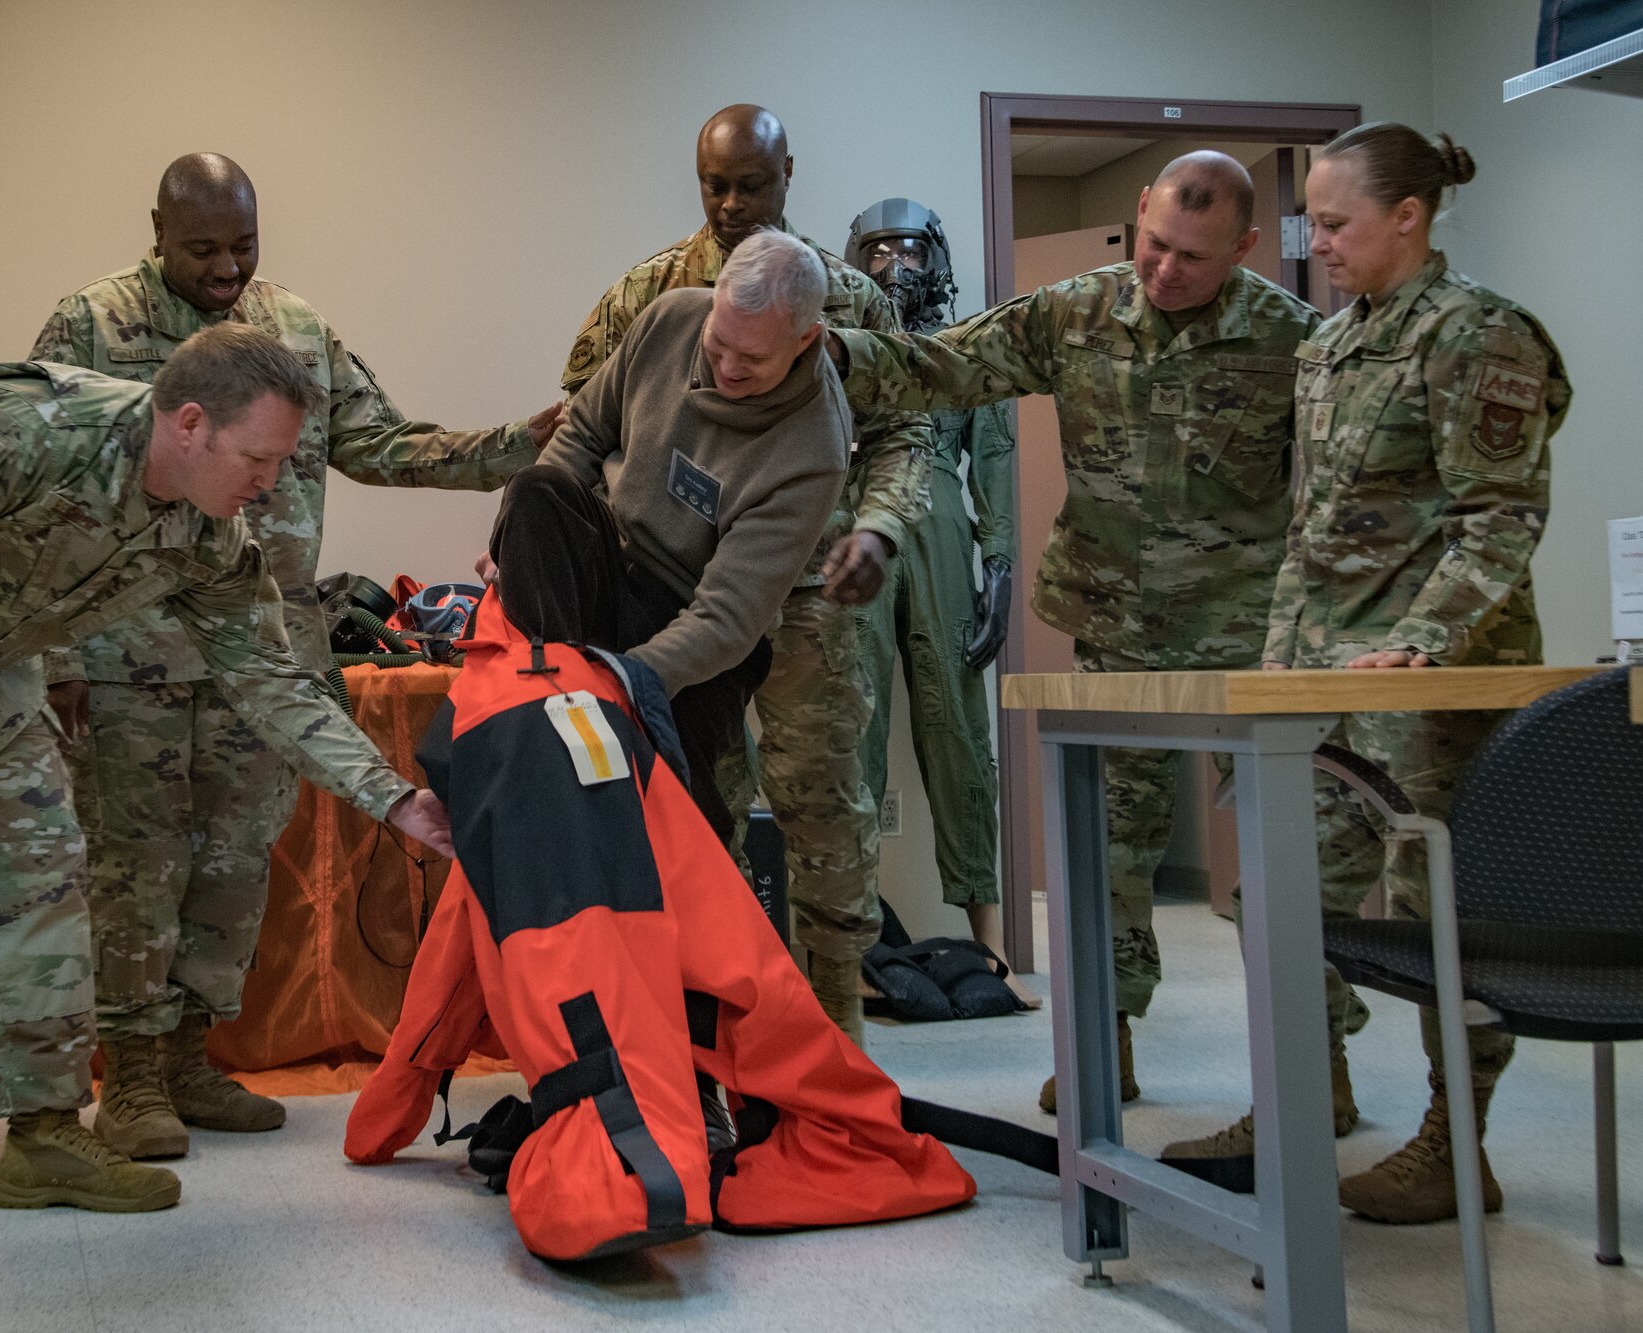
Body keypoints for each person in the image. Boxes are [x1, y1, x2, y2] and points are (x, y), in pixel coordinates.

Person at [0, 325, 456, 1212]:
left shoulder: (209, 538)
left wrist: (393, 799)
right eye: (258, 459)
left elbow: (277, 683)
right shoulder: (36, 429)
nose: (271, 483)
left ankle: (42, 1139)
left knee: (40, 870)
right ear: (189, 424)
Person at [29, 153, 559, 1161]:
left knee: (232, 867)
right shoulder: (89, 327)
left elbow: (383, 442)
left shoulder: (297, 331)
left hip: (262, 654)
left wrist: (510, 448)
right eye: (202, 249)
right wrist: (55, 653)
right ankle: (131, 1077)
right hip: (128, 654)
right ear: (156, 230)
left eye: (243, 246)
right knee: (137, 866)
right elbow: (53, 492)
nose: (226, 267)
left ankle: (188, 1057)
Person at [824, 153, 1330, 1109]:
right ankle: (1109, 1047)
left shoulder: (1291, 337)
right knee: (1110, 856)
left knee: (1285, 859)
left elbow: (1340, 487)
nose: (1165, 272)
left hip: (1249, 642)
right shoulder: (1076, 313)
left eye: (1193, 256)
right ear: (1137, 212)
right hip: (1118, 636)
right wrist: (835, 353)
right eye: (1153, 245)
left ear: (1247, 247)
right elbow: (949, 362)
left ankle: (1320, 1067)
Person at [1252, 123, 1566, 1223]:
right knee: (1278, 897)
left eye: (1333, 224)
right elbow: (1316, 535)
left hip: (1430, 694)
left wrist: (1423, 643)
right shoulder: (1331, 346)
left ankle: (1451, 1140)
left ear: (1406, 218)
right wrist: (1280, 668)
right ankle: (1297, 1097)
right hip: (1321, 689)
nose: (1317, 243)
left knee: (1447, 921)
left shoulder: (1477, 336)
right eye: (1310, 223)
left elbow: (1498, 519)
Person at [562, 104, 931, 1041]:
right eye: (713, 185)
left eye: (751, 185)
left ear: (788, 176)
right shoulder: (655, 291)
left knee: (823, 803)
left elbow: (908, 431)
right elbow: (583, 414)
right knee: (698, 802)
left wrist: (881, 531)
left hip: (811, 591)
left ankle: (838, 1026)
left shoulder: (849, 298)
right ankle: (716, 1022)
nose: (731, 204)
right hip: (684, 588)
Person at [493, 228, 850, 842]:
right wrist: (511, 552)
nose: (729, 368)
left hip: (694, 630)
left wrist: (623, 683)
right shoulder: (668, 318)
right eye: (720, 344)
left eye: (754, 359)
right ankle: (551, 699)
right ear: (713, 303)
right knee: (534, 493)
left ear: (806, 340)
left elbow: (727, 620)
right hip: (613, 560)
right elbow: (578, 436)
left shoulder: (815, 446)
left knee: (680, 825)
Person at [843, 197, 1018, 969]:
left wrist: (1001, 561)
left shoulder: (969, 346)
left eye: (910, 250)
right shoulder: (839, 345)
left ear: (935, 257)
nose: (895, 266)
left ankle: (993, 938)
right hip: (856, 531)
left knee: (959, 733)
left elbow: (998, 451)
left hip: (942, 527)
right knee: (852, 727)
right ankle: (847, 939)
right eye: (878, 252)